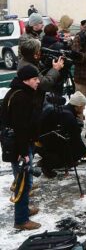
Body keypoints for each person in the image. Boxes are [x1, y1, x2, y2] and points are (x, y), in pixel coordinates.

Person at [2, 65, 43, 230]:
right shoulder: (21, 98)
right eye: (35, 79)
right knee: (22, 183)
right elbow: (21, 128)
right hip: (19, 147)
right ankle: (21, 220)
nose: (38, 81)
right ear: (26, 80)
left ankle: (24, 210)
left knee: (23, 181)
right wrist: (24, 153)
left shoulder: (17, 92)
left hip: (17, 145)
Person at [38, 91, 86, 178]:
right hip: (46, 145)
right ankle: (47, 164)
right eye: (83, 106)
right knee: (73, 151)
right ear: (78, 106)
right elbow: (76, 139)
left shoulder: (65, 110)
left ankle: (53, 159)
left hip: (46, 141)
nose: (84, 108)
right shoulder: (68, 116)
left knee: (73, 151)